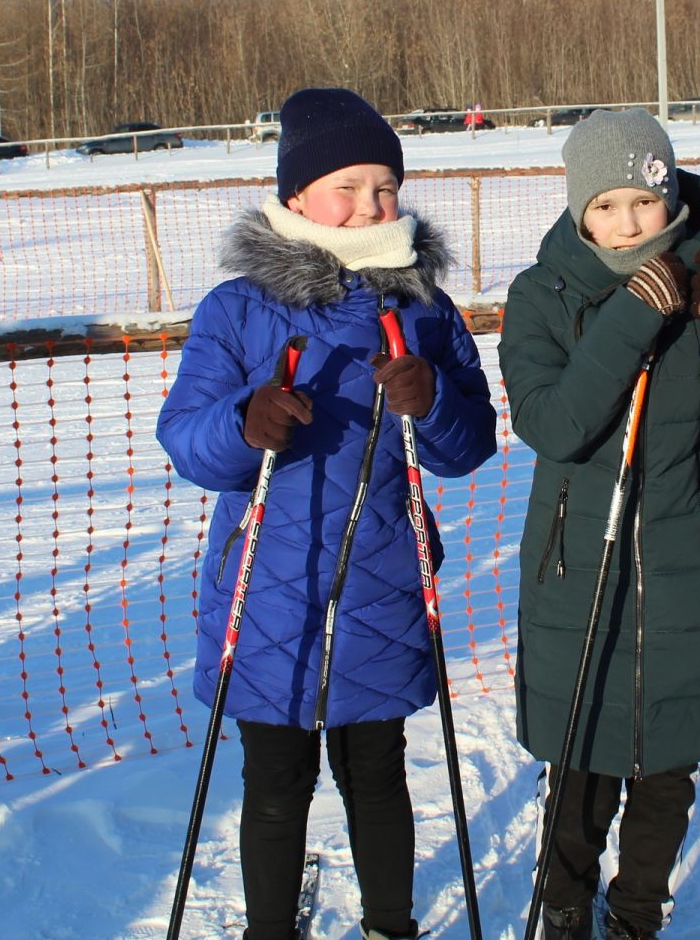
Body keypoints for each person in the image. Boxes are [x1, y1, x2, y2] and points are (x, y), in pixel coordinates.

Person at [156, 86, 498, 940]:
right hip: (267, 593)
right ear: (298, 198)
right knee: (275, 786)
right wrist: (245, 422)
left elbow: (471, 445)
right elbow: (186, 440)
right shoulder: (236, 311)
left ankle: (391, 924)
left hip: (382, 584)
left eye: (384, 186)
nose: (371, 205)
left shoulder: (420, 311)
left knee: (377, 776)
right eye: (347, 185)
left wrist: (434, 404)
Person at [500, 108, 700, 939]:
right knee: (581, 758)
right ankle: (563, 903)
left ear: (671, 200)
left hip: (682, 559)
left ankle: (637, 912)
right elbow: (554, 425)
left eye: (643, 201)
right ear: (577, 208)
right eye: (606, 205)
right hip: (577, 569)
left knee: (668, 765)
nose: (628, 223)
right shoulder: (541, 295)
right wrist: (634, 313)